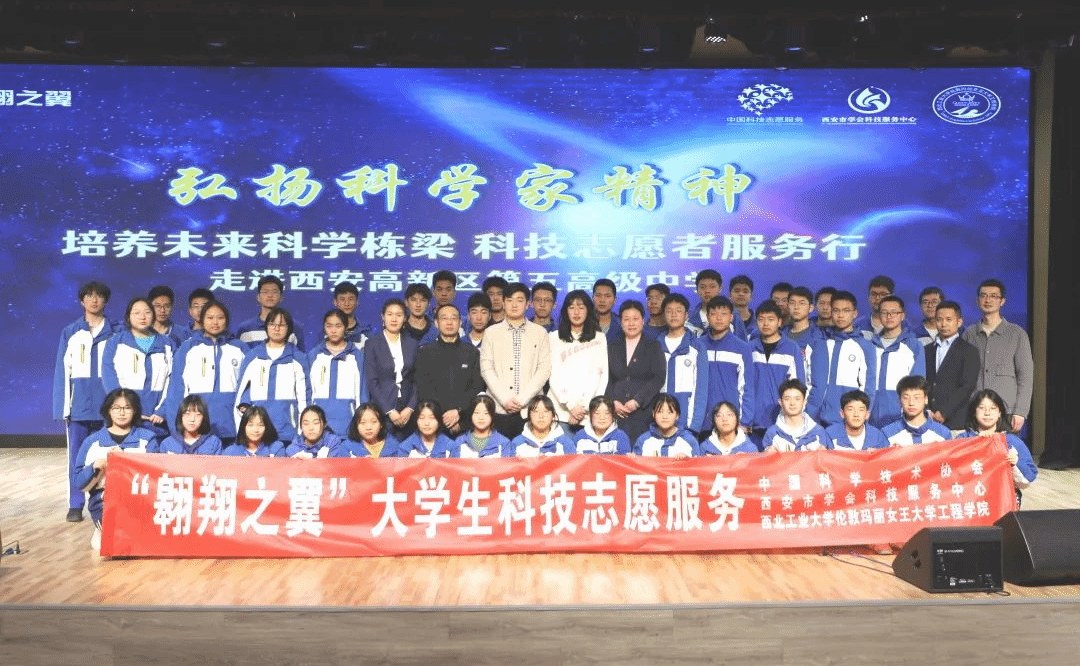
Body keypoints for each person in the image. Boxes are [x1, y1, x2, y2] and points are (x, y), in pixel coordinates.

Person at [54, 280, 120, 522]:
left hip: (108, 409)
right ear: (82, 301)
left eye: (99, 296)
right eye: (89, 296)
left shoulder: (116, 332)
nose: (94, 300)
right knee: (76, 459)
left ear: (105, 300)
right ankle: (75, 504)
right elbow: (62, 372)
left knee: (110, 456)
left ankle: (108, 500)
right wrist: (63, 408)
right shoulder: (71, 332)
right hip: (79, 408)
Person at [74, 388, 156, 550]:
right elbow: (79, 482)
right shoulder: (92, 442)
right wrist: (94, 468)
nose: (122, 413)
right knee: (118, 545)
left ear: (135, 411)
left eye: (127, 408)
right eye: (116, 408)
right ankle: (102, 530)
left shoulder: (147, 439)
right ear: (108, 410)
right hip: (104, 501)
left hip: (139, 500)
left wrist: (124, 460)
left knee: (139, 544)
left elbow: (155, 476)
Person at [165, 300, 247, 445]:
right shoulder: (188, 348)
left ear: (227, 320)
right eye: (210, 318)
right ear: (202, 319)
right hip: (196, 430)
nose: (215, 322)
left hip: (233, 428)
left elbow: (249, 387)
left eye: (220, 318)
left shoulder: (240, 348)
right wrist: (176, 430)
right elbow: (176, 390)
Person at [479, 282, 552, 439]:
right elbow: (486, 369)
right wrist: (505, 399)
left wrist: (522, 399)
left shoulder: (540, 333)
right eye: (510, 300)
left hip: (531, 409)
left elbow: (544, 369)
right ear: (503, 303)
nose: (514, 305)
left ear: (527, 304)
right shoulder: (491, 333)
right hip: (498, 408)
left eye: (519, 300)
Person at [962, 279, 1033, 434]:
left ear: (1002, 301)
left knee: (1006, 449)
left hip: (1006, 412)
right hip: (976, 410)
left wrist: (1020, 411)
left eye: (993, 296)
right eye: (984, 296)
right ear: (978, 300)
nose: (988, 300)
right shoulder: (969, 334)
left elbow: (1025, 376)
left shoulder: (1017, 334)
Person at [101, 297, 175, 441]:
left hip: (157, 421)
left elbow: (173, 381)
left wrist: (162, 411)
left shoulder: (167, 344)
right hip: (124, 421)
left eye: (147, 312)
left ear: (153, 315)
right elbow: (109, 377)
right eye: (137, 313)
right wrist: (125, 408)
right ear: (128, 316)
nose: (142, 317)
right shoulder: (116, 342)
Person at [234, 307, 310, 442]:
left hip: (288, 433)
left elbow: (304, 398)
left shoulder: (298, 358)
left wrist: (301, 433)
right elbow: (240, 396)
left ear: (289, 328)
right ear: (266, 327)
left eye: (281, 325)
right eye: (272, 324)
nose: (276, 329)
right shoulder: (253, 356)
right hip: (257, 433)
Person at [806, 290, 876, 428]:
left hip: (846, 419)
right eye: (836, 310)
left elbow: (868, 388)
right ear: (831, 312)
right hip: (813, 418)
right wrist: (808, 409)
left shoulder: (865, 346)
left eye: (846, 310)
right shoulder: (819, 343)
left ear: (855, 314)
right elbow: (807, 379)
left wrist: (860, 417)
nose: (840, 315)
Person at [414, 303, 485, 435]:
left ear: (460, 322)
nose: (449, 322)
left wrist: (458, 411)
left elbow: (476, 387)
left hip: (465, 422)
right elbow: (423, 388)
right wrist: (444, 417)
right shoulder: (425, 352)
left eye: (453, 318)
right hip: (434, 422)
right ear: (436, 323)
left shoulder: (471, 352)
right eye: (444, 318)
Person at [689, 296, 754, 436]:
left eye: (723, 314)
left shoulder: (742, 348)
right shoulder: (697, 345)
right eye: (714, 314)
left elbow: (746, 387)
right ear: (707, 317)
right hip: (701, 422)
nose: (719, 318)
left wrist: (744, 421)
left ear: (731, 317)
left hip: (730, 421)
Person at [959, 390, 1037, 503]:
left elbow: (1029, 477)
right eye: (982, 408)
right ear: (974, 412)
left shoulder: (1012, 441)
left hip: (1003, 502)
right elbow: (952, 469)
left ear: (1000, 412)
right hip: (970, 500)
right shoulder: (963, 439)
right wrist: (976, 443)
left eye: (993, 408)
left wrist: (1015, 463)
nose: (987, 413)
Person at [605, 300, 666, 443]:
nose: (631, 323)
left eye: (635, 319)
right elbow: (606, 378)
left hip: (643, 412)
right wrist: (613, 401)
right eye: (626, 319)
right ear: (621, 322)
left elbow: (659, 378)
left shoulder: (653, 346)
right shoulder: (612, 347)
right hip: (617, 412)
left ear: (643, 321)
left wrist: (638, 401)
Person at [547, 290, 608, 428]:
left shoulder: (599, 338)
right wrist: (570, 405)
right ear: (566, 311)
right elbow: (553, 375)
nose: (576, 312)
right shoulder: (554, 338)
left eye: (581, 307)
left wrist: (584, 406)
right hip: (559, 410)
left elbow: (601, 376)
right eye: (572, 307)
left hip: (588, 412)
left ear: (588, 311)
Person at [747, 300, 804, 444]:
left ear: (780, 322)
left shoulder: (792, 349)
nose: (765, 323)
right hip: (752, 422)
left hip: (781, 422)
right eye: (761, 319)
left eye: (771, 319)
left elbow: (798, 387)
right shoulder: (748, 348)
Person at [307, 308, 368, 438]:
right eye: (329, 326)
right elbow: (307, 392)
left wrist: (361, 423)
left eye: (338, 326)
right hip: (317, 429)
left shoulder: (357, 356)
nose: (333, 330)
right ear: (324, 328)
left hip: (348, 429)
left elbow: (362, 393)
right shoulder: (314, 355)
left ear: (345, 327)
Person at [364, 298, 418, 440]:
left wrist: (410, 408)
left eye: (399, 315)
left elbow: (416, 379)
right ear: (383, 317)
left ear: (405, 318)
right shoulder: (372, 344)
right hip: (382, 408)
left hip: (407, 411)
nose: (394, 319)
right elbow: (372, 381)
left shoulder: (412, 344)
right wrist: (389, 410)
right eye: (390, 314)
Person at [869, 295, 926, 428]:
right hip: (870, 415)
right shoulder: (869, 345)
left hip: (900, 415)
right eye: (884, 312)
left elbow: (918, 382)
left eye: (894, 312)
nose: (889, 316)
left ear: (902, 316)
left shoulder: (914, 346)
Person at [925, 301, 980, 430]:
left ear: (959, 322)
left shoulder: (969, 350)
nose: (943, 324)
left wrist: (944, 412)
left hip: (956, 419)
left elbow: (967, 386)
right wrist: (926, 409)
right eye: (939, 319)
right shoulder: (927, 350)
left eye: (948, 319)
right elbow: (923, 382)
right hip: (928, 419)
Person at [659, 293, 702, 430]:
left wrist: (694, 426)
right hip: (659, 418)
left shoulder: (697, 346)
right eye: (669, 311)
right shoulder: (656, 345)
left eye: (678, 311)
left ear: (686, 315)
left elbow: (701, 388)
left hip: (686, 419)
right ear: (663, 315)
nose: (673, 315)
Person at [236, 276, 306, 351]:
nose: (270, 295)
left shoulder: (294, 327)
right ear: (258, 297)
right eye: (265, 292)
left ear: (281, 297)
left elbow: (300, 356)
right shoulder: (245, 329)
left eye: (274, 292)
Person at [882, 375, 953, 446]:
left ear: (926, 399)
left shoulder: (943, 434)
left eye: (916, 398)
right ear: (899, 401)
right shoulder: (888, 434)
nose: (911, 403)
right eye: (906, 398)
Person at [762, 379, 829, 452]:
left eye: (797, 399)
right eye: (787, 399)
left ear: (804, 402)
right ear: (780, 402)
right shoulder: (772, 433)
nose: (792, 403)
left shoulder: (818, 432)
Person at [505, 395, 576, 457]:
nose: (541, 416)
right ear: (529, 416)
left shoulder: (565, 443)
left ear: (553, 416)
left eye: (546, 411)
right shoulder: (517, 443)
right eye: (536, 411)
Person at [634, 393, 701, 458]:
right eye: (660, 412)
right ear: (653, 414)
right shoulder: (643, 440)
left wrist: (687, 460)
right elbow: (635, 463)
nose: (665, 416)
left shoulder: (689, 440)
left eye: (669, 412)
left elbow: (697, 464)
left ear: (677, 415)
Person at [156, 395, 223, 455]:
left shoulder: (213, 443)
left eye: (198, 415)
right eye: (187, 414)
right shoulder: (167, 444)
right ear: (180, 416)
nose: (192, 419)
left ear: (204, 418)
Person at [825, 390, 890, 450]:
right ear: (842, 413)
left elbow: (887, 456)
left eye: (861, 410)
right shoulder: (829, 435)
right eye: (850, 409)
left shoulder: (878, 437)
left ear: (867, 414)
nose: (856, 414)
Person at [332, 281, 369, 346]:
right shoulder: (328, 332)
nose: (347, 303)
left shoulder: (367, 332)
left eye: (350, 299)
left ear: (357, 302)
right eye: (342, 299)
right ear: (335, 302)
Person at [690, 269, 724, 334]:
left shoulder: (733, 316)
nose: (707, 291)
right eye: (703, 287)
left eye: (712, 287)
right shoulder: (688, 318)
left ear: (720, 289)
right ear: (697, 289)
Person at [729, 275, 755, 339]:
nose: (741, 294)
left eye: (745, 291)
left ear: (751, 296)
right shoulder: (723, 320)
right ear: (730, 295)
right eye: (737, 291)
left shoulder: (758, 321)